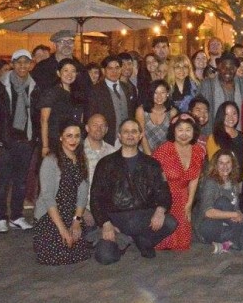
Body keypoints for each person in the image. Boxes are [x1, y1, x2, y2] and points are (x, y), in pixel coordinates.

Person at [90, 119, 178, 263]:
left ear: (140, 135)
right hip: (115, 219)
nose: (130, 135)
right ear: (119, 135)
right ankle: (123, 241)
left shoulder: (152, 164)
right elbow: (95, 198)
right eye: (126, 132)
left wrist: (160, 210)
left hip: (143, 217)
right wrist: (105, 224)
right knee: (105, 257)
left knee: (170, 222)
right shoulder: (106, 163)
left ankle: (143, 239)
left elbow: (163, 192)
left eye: (134, 131)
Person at [0, 48, 40, 234]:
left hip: (26, 141)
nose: (23, 66)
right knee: (3, 181)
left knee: (21, 182)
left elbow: (36, 114)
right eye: (19, 62)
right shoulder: (1, 85)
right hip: (5, 142)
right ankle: (0, 217)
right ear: (13, 64)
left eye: (26, 62)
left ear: (31, 65)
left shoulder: (34, 86)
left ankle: (16, 216)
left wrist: (36, 139)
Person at [33, 123, 94, 265]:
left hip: (71, 213)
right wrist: (62, 229)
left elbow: (83, 193)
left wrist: (76, 221)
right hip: (51, 214)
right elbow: (48, 197)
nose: (73, 140)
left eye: (77, 136)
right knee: (57, 254)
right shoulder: (50, 161)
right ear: (61, 137)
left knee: (78, 252)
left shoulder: (81, 160)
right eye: (69, 136)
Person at [193, 150, 243, 252]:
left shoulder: (233, 183)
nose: (225, 166)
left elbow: (236, 209)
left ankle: (230, 244)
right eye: (221, 163)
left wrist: (239, 214)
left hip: (228, 228)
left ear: (233, 164)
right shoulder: (211, 182)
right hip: (210, 226)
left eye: (228, 162)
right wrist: (234, 214)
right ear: (215, 165)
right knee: (223, 201)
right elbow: (208, 212)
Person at [153, 113, 207, 251]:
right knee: (163, 242)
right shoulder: (164, 150)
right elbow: (156, 180)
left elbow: (194, 178)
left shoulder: (198, 150)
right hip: (165, 197)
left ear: (194, 132)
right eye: (180, 130)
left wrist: (189, 203)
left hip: (183, 197)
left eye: (188, 130)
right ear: (174, 131)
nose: (184, 134)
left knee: (183, 244)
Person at [86, 55, 138, 146]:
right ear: (103, 70)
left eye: (117, 68)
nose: (114, 71)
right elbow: (90, 116)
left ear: (121, 69)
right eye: (110, 68)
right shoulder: (95, 90)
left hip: (126, 139)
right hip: (106, 139)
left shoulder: (128, 88)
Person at [39, 58, 84, 159]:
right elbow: (43, 120)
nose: (70, 74)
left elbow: (79, 120)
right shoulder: (51, 93)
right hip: (55, 141)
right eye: (66, 70)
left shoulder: (78, 93)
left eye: (73, 71)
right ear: (59, 73)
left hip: (73, 142)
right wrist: (45, 146)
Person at [198, 53, 243, 135]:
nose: (228, 71)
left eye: (231, 68)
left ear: (236, 69)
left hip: (236, 134)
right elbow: (199, 110)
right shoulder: (206, 84)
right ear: (218, 67)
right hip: (211, 133)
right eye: (224, 67)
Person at [207, 101, 243, 179]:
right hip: (221, 183)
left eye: (234, 114)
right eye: (226, 114)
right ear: (221, 116)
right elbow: (214, 166)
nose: (231, 118)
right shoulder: (213, 138)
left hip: (241, 183)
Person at [135, 79, 175, 154]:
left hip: (165, 153)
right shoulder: (141, 110)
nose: (159, 96)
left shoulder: (172, 112)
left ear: (167, 94)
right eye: (155, 93)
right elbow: (142, 135)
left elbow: (172, 138)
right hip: (144, 152)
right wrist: (150, 157)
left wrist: (163, 155)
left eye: (162, 92)